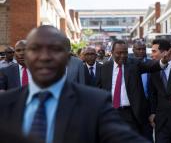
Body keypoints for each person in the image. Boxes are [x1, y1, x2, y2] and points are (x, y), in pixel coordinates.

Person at [0, 25, 148, 143]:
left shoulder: (95, 104)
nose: (44, 56)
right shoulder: (5, 104)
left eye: (54, 49)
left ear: (67, 57)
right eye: (35, 49)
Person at [98, 40, 171, 138]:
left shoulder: (134, 64)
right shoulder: (104, 68)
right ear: (112, 52)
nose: (123, 56)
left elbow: (151, 66)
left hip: (130, 113)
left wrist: (163, 61)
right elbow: (99, 89)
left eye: (125, 53)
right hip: (111, 113)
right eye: (119, 53)